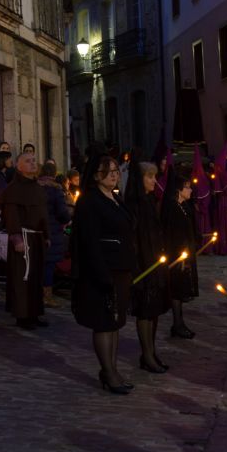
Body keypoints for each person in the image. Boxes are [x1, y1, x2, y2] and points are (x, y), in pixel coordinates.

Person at [71, 155, 134, 394]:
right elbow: (90, 241)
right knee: (104, 322)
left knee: (115, 322)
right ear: (96, 175)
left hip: (120, 269)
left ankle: (113, 369)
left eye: (116, 170)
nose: (114, 175)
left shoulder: (115, 197)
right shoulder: (90, 201)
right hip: (102, 271)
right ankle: (107, 372)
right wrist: (102, 274)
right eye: (108, 171)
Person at [126, 159, 171, 373]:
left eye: (155, 176)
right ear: (139, 179)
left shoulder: (150, 200)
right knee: (145, 310)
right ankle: (146, 354)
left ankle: (151, 352)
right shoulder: (135, 203)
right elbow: (134, 238)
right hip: (143, 264)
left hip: (154, 261)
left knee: (154, 310)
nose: (155, 180)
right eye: (150, 177)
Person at [0, 153, 50, 330]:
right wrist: (16, 237)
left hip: (37, 238)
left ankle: (34, 313)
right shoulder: (13, 189)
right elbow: (11, 214)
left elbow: (43, 213)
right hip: (23, 238)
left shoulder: (37, 187)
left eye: (35, 160)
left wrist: (47, 235)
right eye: (28, 161)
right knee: (23, 277)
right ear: (19, 167)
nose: (33, 163)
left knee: (35, 277)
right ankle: (23, 315)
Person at [162, 169, 199, 339]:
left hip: (185, 256)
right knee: (177, 291)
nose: (190, 190)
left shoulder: (184, 206)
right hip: (177, 257)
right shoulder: (172, 208)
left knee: (181, 290)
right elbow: (170, 234)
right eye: (187, 187)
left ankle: (179, 323)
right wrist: (180, 255)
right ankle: (177, 324)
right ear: (178, 190)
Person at [37, 162, 71, 308]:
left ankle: (38, 294)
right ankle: (47, 296)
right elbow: (62, 213)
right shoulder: (56, 190)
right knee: (49, 265)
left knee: (40, 264)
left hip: (37, 230)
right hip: (53, 231)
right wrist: (69, 216)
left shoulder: (35, 187)